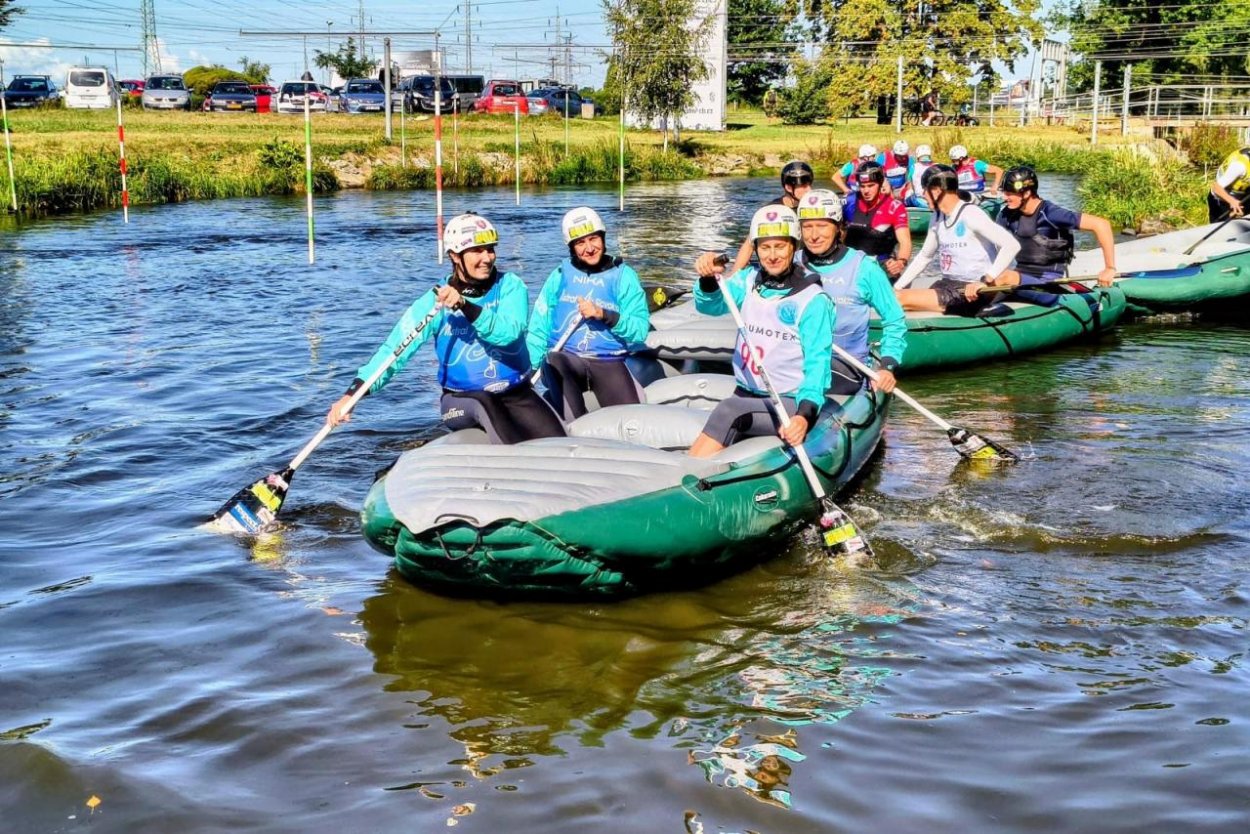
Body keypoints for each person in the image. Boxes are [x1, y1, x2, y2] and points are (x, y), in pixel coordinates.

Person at [326, 212, 566, 444]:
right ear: (454, 255)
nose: (487, 258)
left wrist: (464, 305)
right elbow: (395, 351)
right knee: (486, 404)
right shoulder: (434, 300)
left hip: (517, 392)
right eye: (476, 251)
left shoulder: (511, 286)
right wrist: (353, 394)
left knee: (560, 444)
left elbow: (509, 333)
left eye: (490, 249)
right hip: (462, 400)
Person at [688, 205, 834, 458]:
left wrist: (803, 416)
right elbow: (710, 307)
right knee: (731, 408)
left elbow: (818, 364)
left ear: (794, 246)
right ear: (755, 249)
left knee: (728, 411)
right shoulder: (747, 281)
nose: (772, 255)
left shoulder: (812, 300)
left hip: (789, 401)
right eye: (765, 247)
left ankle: (683, 478)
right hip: (746, 392)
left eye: (780, 246)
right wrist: (707, 280)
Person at [527, 206, 651, 421]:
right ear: (572, 248)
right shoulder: (558, 276)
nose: (589, 248)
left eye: (593, 239)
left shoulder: (624, 276)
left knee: (631, 423)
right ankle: (573, 431)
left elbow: (640, 331)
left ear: (603, 237)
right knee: (553, 359)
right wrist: (528, 373)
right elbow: (538, 329)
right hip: (567, 360)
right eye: (580, 243)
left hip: (607, 360)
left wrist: (604, 314)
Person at [796, 188, 906, 395]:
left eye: (822, 226)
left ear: (839, 228)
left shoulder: (864, 268)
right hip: (795, 365)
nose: (813, 235)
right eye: (807, 227)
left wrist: (888, 365)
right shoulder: (791, 263)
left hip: (845, 369)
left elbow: (894, 320)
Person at [893, 166, 1021, 315]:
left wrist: (986, 280)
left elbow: (1011, 245)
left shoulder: (970, 213)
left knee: (898, 300)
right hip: (948, 284)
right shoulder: (937, 217)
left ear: (936, 191)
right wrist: (897, 287)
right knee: (895, 295)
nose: (922, 195)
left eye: (924, 190)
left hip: (974, 291)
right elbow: (924, 257)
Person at [994, 166, 1118, 288]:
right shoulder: (1006, 215)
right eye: (1004, 192)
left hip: (1050, 281)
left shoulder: (1050, 213)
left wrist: (1109, 268)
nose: (1004, 197)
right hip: (1019, 275)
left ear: (1026, 193)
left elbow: (1101, 224)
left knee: (1005, 277)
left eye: (1009, 194)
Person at [720, 159, 814, 274]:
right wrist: (733, 275)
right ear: (789, 188)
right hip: (782, 265)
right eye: (804, 186)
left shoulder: (813, 207)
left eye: (809, 185)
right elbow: (749, 244)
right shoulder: (771, 211)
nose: (809, 190)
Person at [843, 162, 913, 279]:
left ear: (880, 184)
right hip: (850, 265)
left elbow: (905, 242)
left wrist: (901, 262)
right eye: (862, 186)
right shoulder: (848, 202)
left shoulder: (894, 207)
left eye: (871, 186)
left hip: (881, 265)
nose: (866, 191)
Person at [1208, 145, 1250, 222]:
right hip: (1221, 198)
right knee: (1223, 229)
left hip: (1241, 193)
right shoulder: (1240, 166)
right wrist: (1232, 201)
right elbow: (1215, 188)